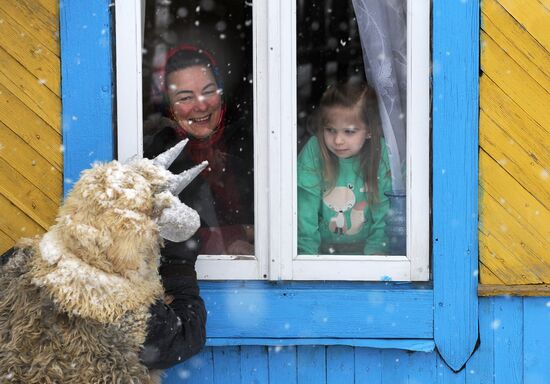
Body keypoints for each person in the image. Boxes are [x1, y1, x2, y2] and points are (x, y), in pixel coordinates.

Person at [144, 45, 255, 256]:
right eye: (186, 98)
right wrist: (236, 235)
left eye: (208, 92)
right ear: (170, 106)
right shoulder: (159, 160)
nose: (201, 106)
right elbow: (164, 238)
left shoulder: (249, 151)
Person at [297, 81, 392, 255]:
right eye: (330, 130)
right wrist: (306, 256)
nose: (338, 140)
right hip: (320, 254)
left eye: (349, 132)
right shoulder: (314, 151)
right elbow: (305, 210)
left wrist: (377, 254)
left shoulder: (381, 153)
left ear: (370, 131)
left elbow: (384, 209)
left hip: (368, 254)